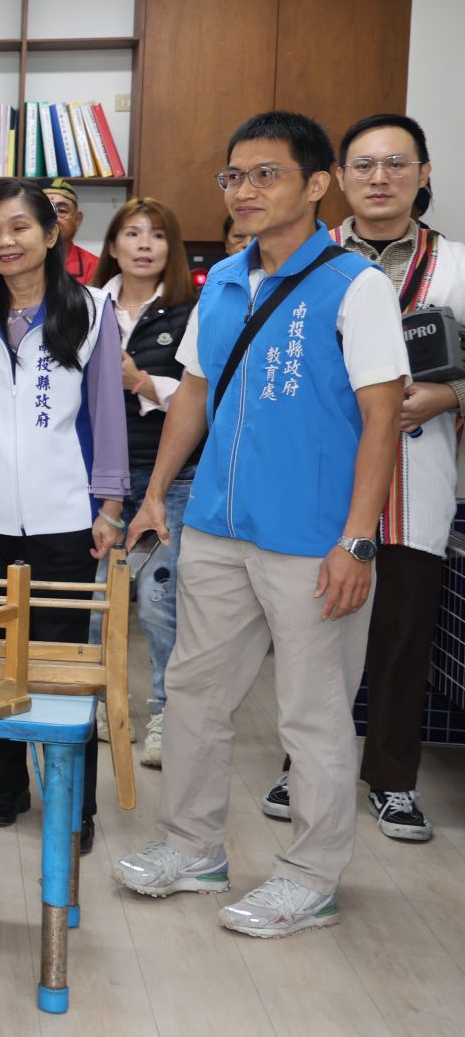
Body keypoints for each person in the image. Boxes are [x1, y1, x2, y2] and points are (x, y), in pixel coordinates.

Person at [116, 111, 406, 939]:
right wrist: (155, 493)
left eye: (265, 175)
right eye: (233, 177)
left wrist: (355, 540)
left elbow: (382, 419)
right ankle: (194, 847)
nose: (244, 191)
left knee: (309, 713)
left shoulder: (357, 286)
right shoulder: (225, 283)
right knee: (197, 695)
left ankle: (311, 876)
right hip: (214, 527)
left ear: (318, 185)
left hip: (313, 541)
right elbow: (196, 396)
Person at [256, 114, 459, 844]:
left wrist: (453, 394)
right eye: (363, 166)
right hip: (320, 487)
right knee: (312, 637)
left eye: (396, 164)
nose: (379, 178)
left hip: (416, 483)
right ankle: (301, 767)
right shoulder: (303, 262)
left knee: (404, 637)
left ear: (423, 174)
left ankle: (394, 781)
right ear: (335, 179)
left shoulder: (458, 265)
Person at [0, 181, 128, 841]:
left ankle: (74, 804)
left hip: (65, 517)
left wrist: (110, 502)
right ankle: (3, 786)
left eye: (19, 228)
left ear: (50, 235)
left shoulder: (93, 310)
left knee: (64, 662)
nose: (4, 241)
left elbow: (105, 412)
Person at [91, 198, 202, 769]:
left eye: (156, 236)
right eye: (130, 234)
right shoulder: (86, 308)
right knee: (92, 600)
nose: (142, 245)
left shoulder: (191, 311)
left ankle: (164, 713)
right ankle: (95, 705)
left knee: (159, 604)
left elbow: (200, 398)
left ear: (170, 249)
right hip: (95, 479)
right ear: (111, 246)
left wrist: (139, 382)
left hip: (171, 477)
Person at [43, 179, 101, 283]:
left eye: (61, 211)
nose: (53, 217)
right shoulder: (19, 263)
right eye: (45, 210)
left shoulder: (96, 268)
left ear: (77, 220)